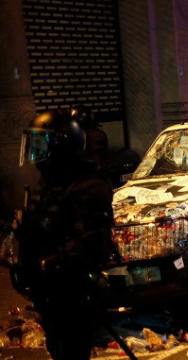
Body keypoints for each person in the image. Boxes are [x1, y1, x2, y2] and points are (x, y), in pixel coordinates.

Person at [13, 109, 115, 359]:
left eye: (42, 146)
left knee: (72, 350)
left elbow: (86, 242)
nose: (37, 155)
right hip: (49, 291)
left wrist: (49, 263)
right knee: (58, 349)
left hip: (75, 291)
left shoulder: (89, 187)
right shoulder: (47, 184)